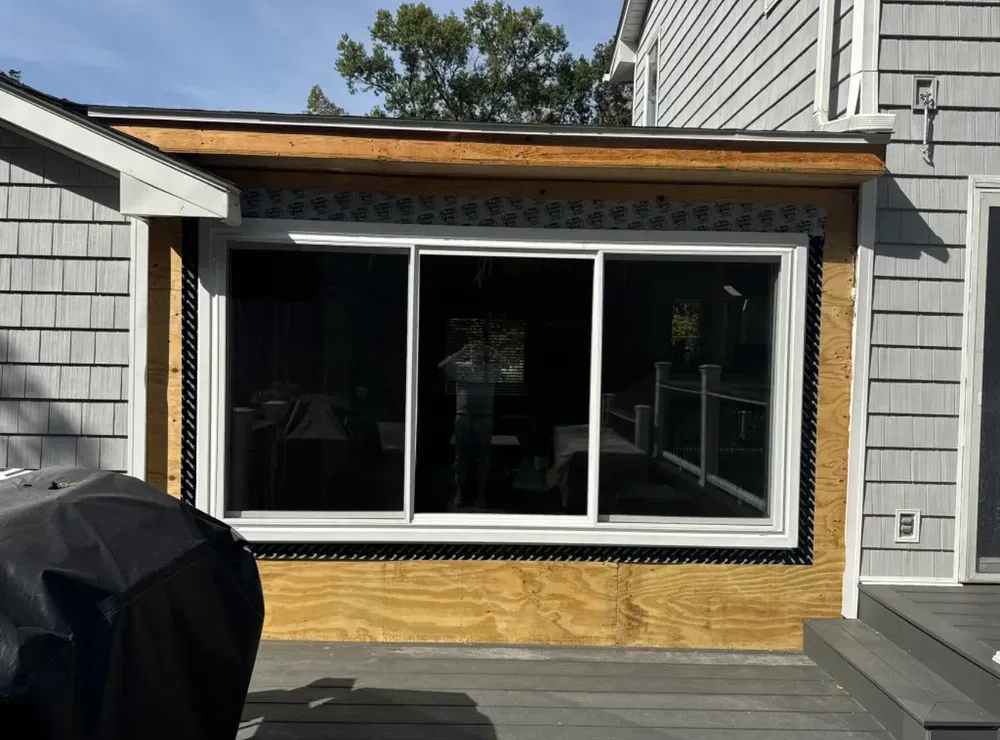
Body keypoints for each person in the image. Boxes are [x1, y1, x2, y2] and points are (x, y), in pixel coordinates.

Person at [439, 340, 499, 510]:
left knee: (483, 457)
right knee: (460, 457)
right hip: (464, 416)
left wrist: (493, 351)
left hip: (484, 418)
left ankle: (481, 495)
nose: (476, 352)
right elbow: (442, 366)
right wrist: (461, 352)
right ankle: (459, 493)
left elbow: (507, 366)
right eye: (472, 349)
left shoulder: (490, 369)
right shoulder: (461, 367)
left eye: (479, 349)